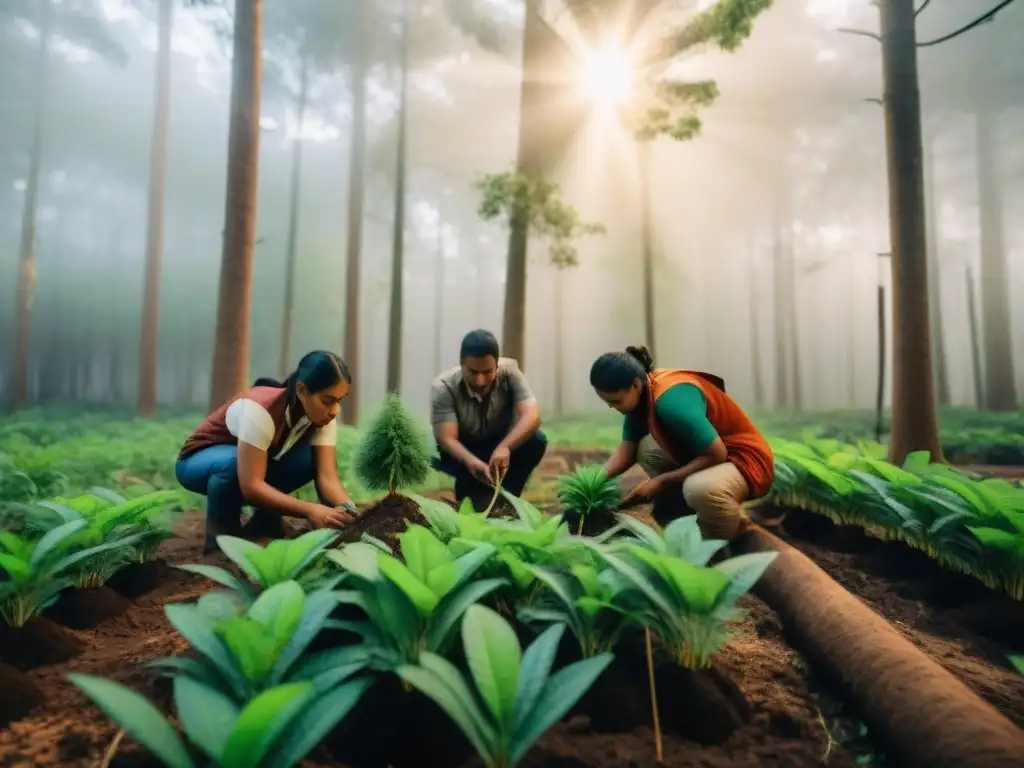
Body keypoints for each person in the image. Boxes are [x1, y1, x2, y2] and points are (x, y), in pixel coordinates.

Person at [176, 350, 358, 553]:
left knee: (308, 460)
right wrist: (310, 510)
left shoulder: (322, 418)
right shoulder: (259, 411)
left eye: (339, 401)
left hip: (247, 463)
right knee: (232, 465)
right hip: (198, 461)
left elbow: (326, 476)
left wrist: (348, 508)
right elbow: (251, 486)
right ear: (301, 390)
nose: (335, 411)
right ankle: (221, 544)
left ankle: (264, 525)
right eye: (327, 401)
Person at [589, 345, 774, 540]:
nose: (612, 406)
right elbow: (627, 452)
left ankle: (714, 546)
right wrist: (593, 482)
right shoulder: (641, 397)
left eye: (616, 401)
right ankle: (681, 508)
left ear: (635, 385)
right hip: (710, 455)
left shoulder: (669, 400)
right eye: (608, 402)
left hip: (745, 460)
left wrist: (660, 481)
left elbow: (717, 453)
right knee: (647, 450)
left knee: (700, 489)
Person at [431, 329, 547, 507]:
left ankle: (508, 499)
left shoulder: (510, 371)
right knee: (471, 502)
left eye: (487, 372)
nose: (480, 381)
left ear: (497, 366)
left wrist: (505, 447)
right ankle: (469, 493)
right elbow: (447, 438)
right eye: (473, 372)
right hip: (464, 451)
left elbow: (532, 416)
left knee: (536, 440)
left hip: (499, 446)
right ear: (461, 365)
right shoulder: (443, 386)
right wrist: (470, 461)